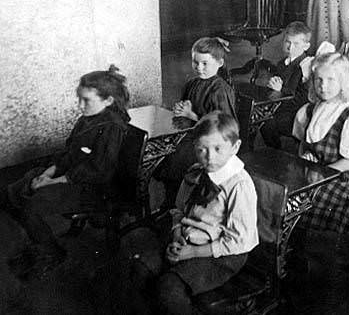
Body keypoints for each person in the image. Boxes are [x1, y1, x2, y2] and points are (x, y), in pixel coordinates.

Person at [1, 66, 130, 279]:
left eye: (86, 100)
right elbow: (70, 154)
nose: (80, 106)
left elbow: (99, 172)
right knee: (20, 186)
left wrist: (53, 182)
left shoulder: (112, 127)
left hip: (95, 189)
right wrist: (49, 174)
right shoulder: (87, 119)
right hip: (73, 177)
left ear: (108, 101)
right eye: (79, 99)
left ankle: (52, 253)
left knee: (30, 207)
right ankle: (37, 241)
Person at [291, 53, 349, 312]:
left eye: (331, 80)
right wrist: (305, 158)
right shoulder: (308, 110)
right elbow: (302, 145)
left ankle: (324, 278)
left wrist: (320, 173)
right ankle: (293, 264)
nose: (324, 86)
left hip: (340, 179)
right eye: (318, 80)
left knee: (314, 212)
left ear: (343, 82)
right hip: (313, 174)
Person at [151, 112, 259, 315]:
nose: (209, 157)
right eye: (202, 149)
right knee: (142, 267)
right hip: (188, 239)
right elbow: (178, 210)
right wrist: (177, 235)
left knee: (169, 288)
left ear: (235, 147)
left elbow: (239, 241)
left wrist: (191, 252)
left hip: (223, 253)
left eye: (218, 149)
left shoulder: (239, 185)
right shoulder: (195, 171)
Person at [157, 37, 237, 204]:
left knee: (176, 161)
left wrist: (192, 116)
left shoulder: (220, 89)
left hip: (210, 141)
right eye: (195, 62)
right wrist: (181, 109)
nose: (199, 68)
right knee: (165, 154)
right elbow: (186, 107)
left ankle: (179, 202)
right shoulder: (192, 83)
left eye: (205, 64)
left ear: (220, 63)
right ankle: (171, 199)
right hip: (190, 134)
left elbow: (223, 127)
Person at [258, 21, 313, 149]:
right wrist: (272, 86)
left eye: (296, 44)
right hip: (279, 106)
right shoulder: (282, 63)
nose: (290, 47)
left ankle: (276, 152)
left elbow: (302, 99)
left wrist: (280, 91)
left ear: (306, 46)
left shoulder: (306, 66)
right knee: (255, 114)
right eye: (288, 42)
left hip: (296, 112)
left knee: (266, 121)